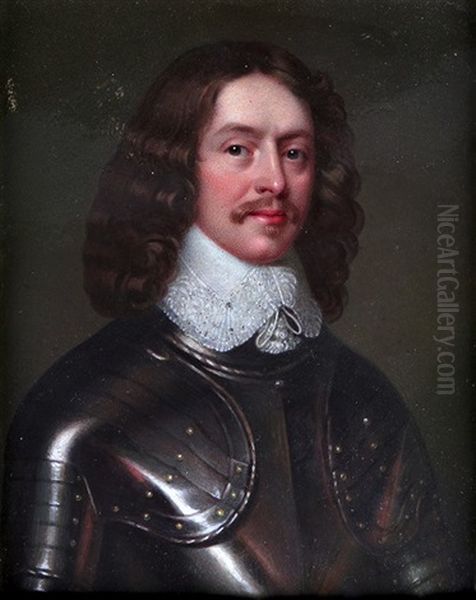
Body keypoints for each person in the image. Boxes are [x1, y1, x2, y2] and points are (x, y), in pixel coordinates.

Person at [2, 41, 470, 593]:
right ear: (178, 167)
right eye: (238, 149)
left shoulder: (365, 397)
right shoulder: (79, 415)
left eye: (294, 153)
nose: (275, 180)